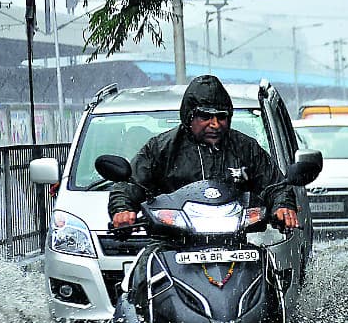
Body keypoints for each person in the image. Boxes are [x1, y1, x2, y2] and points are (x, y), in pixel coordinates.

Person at [108, 74, 299, 231]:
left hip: (238, 244)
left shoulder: (246, 148)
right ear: (189, 117)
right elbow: (130, 184)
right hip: (172, 244)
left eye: (221, 117)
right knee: (144, 272)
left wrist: (282, 206)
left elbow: (275, 185)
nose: (214, 124)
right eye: (205, 116)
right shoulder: (161, 148)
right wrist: (122, 209)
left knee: (269, 272)